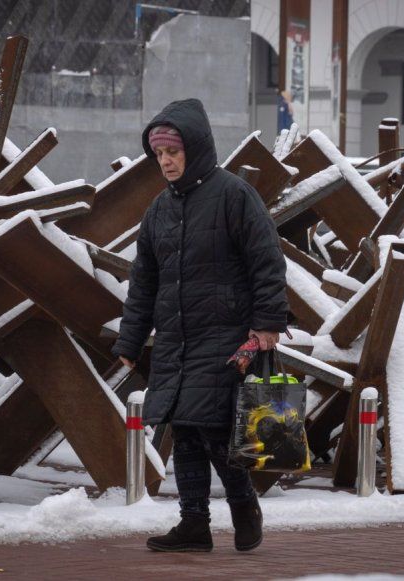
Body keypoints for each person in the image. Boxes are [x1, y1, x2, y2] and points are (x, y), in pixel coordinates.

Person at [112, 98, 288, 553]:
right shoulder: (158, 210)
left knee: (213, 428)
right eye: (159, 155)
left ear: (196, 148)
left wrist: (267, 323)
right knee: (184, 428)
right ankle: (194, 524)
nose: (166, 162)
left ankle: (244, 503)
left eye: (173, 152)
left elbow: (266, 260)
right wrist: (130, 338)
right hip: (177, 339)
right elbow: (143, 280)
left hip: (227, 335)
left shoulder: (234, 194)